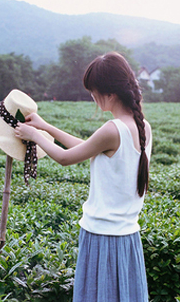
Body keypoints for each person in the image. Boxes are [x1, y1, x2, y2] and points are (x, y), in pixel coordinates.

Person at [14, 51, 152, 302]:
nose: (93, 98)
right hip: (127, 237)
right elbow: (88, 149)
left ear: (109, 94)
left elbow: (67, 158)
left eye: (93, 92)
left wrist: (34, 136)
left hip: (103, 237)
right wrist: (46, 127)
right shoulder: (141, 126)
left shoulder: (112, 129)